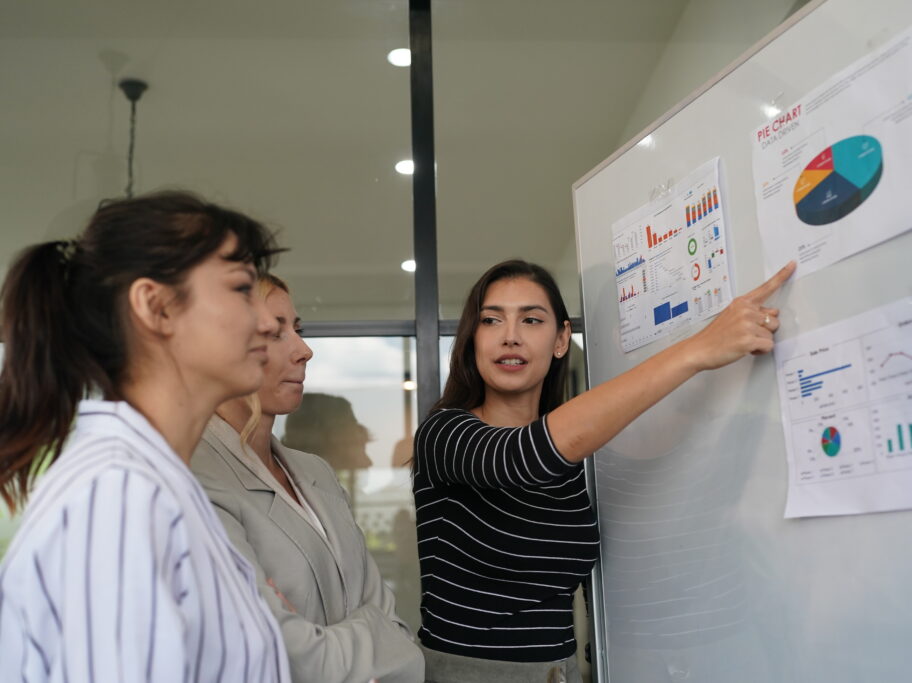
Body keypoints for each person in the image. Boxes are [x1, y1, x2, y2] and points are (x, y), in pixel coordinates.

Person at [413, 258, 795, 683]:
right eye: (491, 320)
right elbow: (524, 458)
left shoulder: (579, 457)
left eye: (531, 320)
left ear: (561, 341)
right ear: (472, 340)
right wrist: (698, 349)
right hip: (466, 673)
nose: (510, 337)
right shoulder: (444, 433)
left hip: (560, 671)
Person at [0, 191, 291, 682]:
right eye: (242, 289)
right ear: (155, 307)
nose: (266, 322)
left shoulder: (151, 485)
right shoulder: (115, 495)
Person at [190, 274, 425, 683]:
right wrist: (373, 641)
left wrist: (330, 641)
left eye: (297, 330)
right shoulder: (195, 477)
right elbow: (283, 655)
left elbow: (398, 631)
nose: (305, 350)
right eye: (276, 332)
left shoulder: (315, 472)